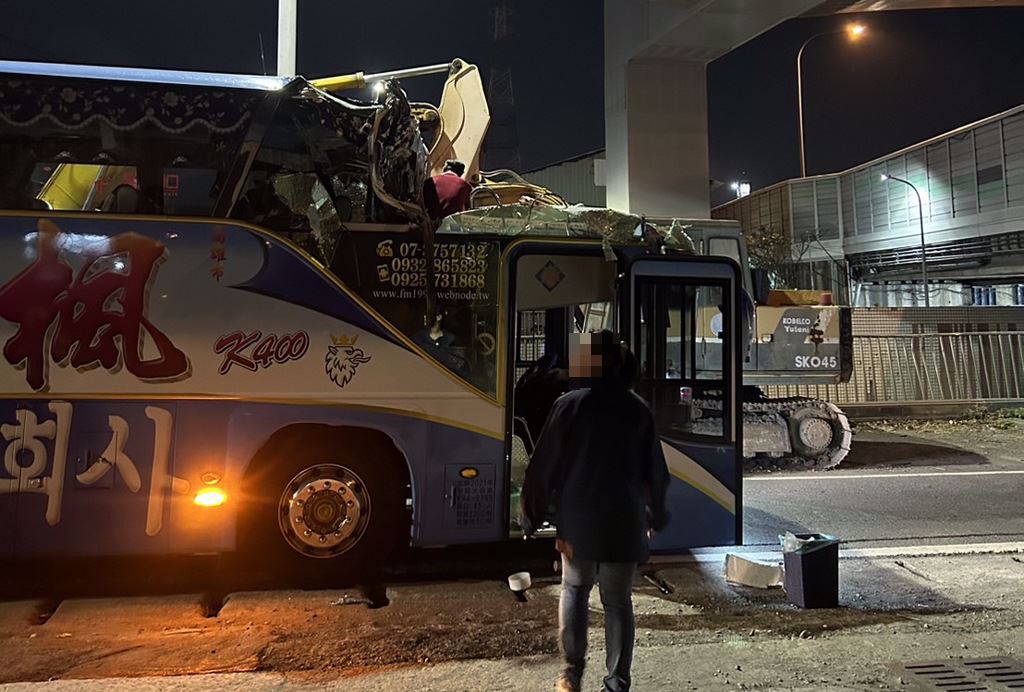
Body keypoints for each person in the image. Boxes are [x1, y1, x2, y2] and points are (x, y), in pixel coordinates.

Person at [521, 331, 670, 692]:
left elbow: (543, 467)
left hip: (579, 522)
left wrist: (531, 515)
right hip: (625, 522)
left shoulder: (569, 405)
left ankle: (571, 674)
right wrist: (655, 514)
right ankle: (617, 683)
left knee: (575, 588)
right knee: (617, 601)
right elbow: (656, 472)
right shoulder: (638, 409)